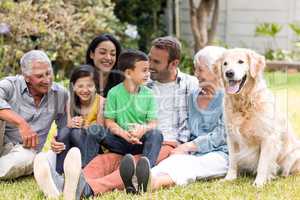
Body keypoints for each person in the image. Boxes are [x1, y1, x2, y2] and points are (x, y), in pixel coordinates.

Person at [31, 36, 198, 199]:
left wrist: (190, 145)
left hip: (163, 143)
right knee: (103, 161)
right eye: (148, 62)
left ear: (174, 63)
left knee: (134, 163)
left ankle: (89, 189)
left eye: (155, 63)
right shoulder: (141, 85)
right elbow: (107, 114)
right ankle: (66, 183)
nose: (150, 68)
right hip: (125, 140)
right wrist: (65, 132)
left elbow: (203, 119)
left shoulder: (190, 85)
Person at [127, 46, 228, 191]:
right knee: (172, 161)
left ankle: (152, 183)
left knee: (191, 167)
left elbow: (222, 135)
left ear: (216, 70)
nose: (196, 74)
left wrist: (189, 146)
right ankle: (137, 179)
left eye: (200, 70)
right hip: (193, 151)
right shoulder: (193, 96)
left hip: (221, 153)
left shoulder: (228, 99)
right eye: (195, 69)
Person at [0, 50, 68, 180]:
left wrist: (58, 139)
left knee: (31, 158)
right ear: (26, 77)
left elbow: (65, 127)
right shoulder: (10, 85)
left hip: (24, 152)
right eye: (39, 76)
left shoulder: (60, 94)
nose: (47, 80)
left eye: (49, 73)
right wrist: (21, 123)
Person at [53, 65, 106, 174]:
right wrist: (72, 123)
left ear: (96, 86)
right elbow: (67, 126)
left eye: (90, 86)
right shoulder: (70, 102)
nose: (85, 90)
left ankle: (83, 168)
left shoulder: (101, 102)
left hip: (94, 147)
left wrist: (84, 126)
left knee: (76, 133)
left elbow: (99, 131)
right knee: (66, 131)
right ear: (73, 86)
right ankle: (59, 171)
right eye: (80, 86)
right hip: (74, 145)